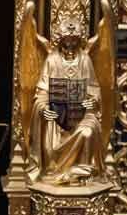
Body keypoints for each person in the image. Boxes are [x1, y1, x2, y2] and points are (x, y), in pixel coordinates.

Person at [27, 18, 104, 184]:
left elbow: (94, 89)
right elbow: (42, 92)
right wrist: (43, 108)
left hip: (82, 115)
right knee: (50, 144)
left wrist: (93, 101)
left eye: (74, 40)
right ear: (60, 39)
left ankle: (82, 172)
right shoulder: (52, 61)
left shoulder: (85, 60)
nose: (70, 44)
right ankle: (52, 170)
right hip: (57, 115)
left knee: (88, 132)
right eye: (67, 40)